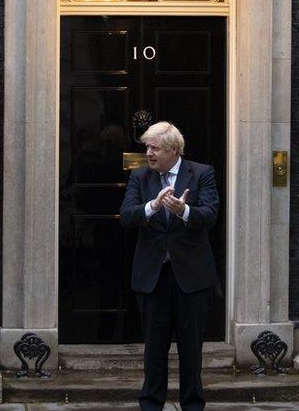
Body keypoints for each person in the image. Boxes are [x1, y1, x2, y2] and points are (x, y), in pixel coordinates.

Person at [119, 121, 219, 411]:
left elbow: (210, 214)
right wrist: (154, 207)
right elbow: (126, 216)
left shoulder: (201, 174)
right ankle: (151, 405)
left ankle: (192, 406)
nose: (148, 153)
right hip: (153, 279)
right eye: (146, 147)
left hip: (192, 279)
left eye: (154, 148)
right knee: (153, 351)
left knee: (191, 352)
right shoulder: (140, 177)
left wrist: (183, 210)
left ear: (173, 150)